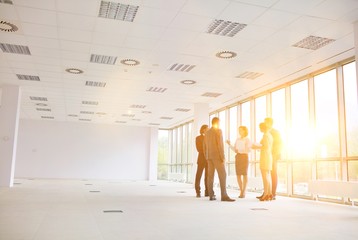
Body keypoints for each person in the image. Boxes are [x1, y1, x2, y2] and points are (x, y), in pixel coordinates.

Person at [203, 117, 235, 202]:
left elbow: (204, 146)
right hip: (217, 156)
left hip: (209, 157)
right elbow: (220, 145)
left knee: (210, 176)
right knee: (223, 175)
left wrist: (207, 156)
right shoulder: (218, 131)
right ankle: (224, 196)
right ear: (217, 123)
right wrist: (223, 157)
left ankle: (211, 195)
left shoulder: (207, 132)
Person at [226, 126, 252, 198]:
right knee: (238, 174)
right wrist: (229, 144)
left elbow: (249, 150)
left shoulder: (247, 140)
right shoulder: (237, 139)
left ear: (244, 131)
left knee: (244, 174)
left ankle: (244, 192)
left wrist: (240, 150)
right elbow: (235, 150)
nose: (239, 132)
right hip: (238, 157)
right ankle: (241, 191)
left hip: (244, 157)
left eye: (241, 130)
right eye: (239, 130)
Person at [252, 122, 273, 201]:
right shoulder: (270, 135)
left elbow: (265, 146)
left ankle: (266, 194)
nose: (259, 129)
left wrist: (255, 146)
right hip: (268, 156)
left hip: (265, 157)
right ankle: (269, 194)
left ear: (263, 128)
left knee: (265, 177)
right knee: (268, 176)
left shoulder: (265, 135)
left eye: (260, 128)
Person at [265, 117, 282, 200]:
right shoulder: (266, 132)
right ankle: (267, 192)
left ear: (270, 123)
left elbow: (279, 143)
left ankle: (273, 193)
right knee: (266, 173)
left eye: (266, 122)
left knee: (273, 173)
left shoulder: (275, 132)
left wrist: (278, 154)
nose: (265, 124)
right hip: (266, 154)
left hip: (273, 155)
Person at [194, 124, 209, 197]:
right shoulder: (198, 138)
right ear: (203, 129)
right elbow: (198, 149)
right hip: (201, 159)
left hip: (208, 160)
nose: (208, 130)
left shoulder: (209, 138)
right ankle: (198, 191)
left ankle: (207, 191)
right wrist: (206, 151)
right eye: (207, 129)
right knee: (198, 175)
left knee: (207, 176)